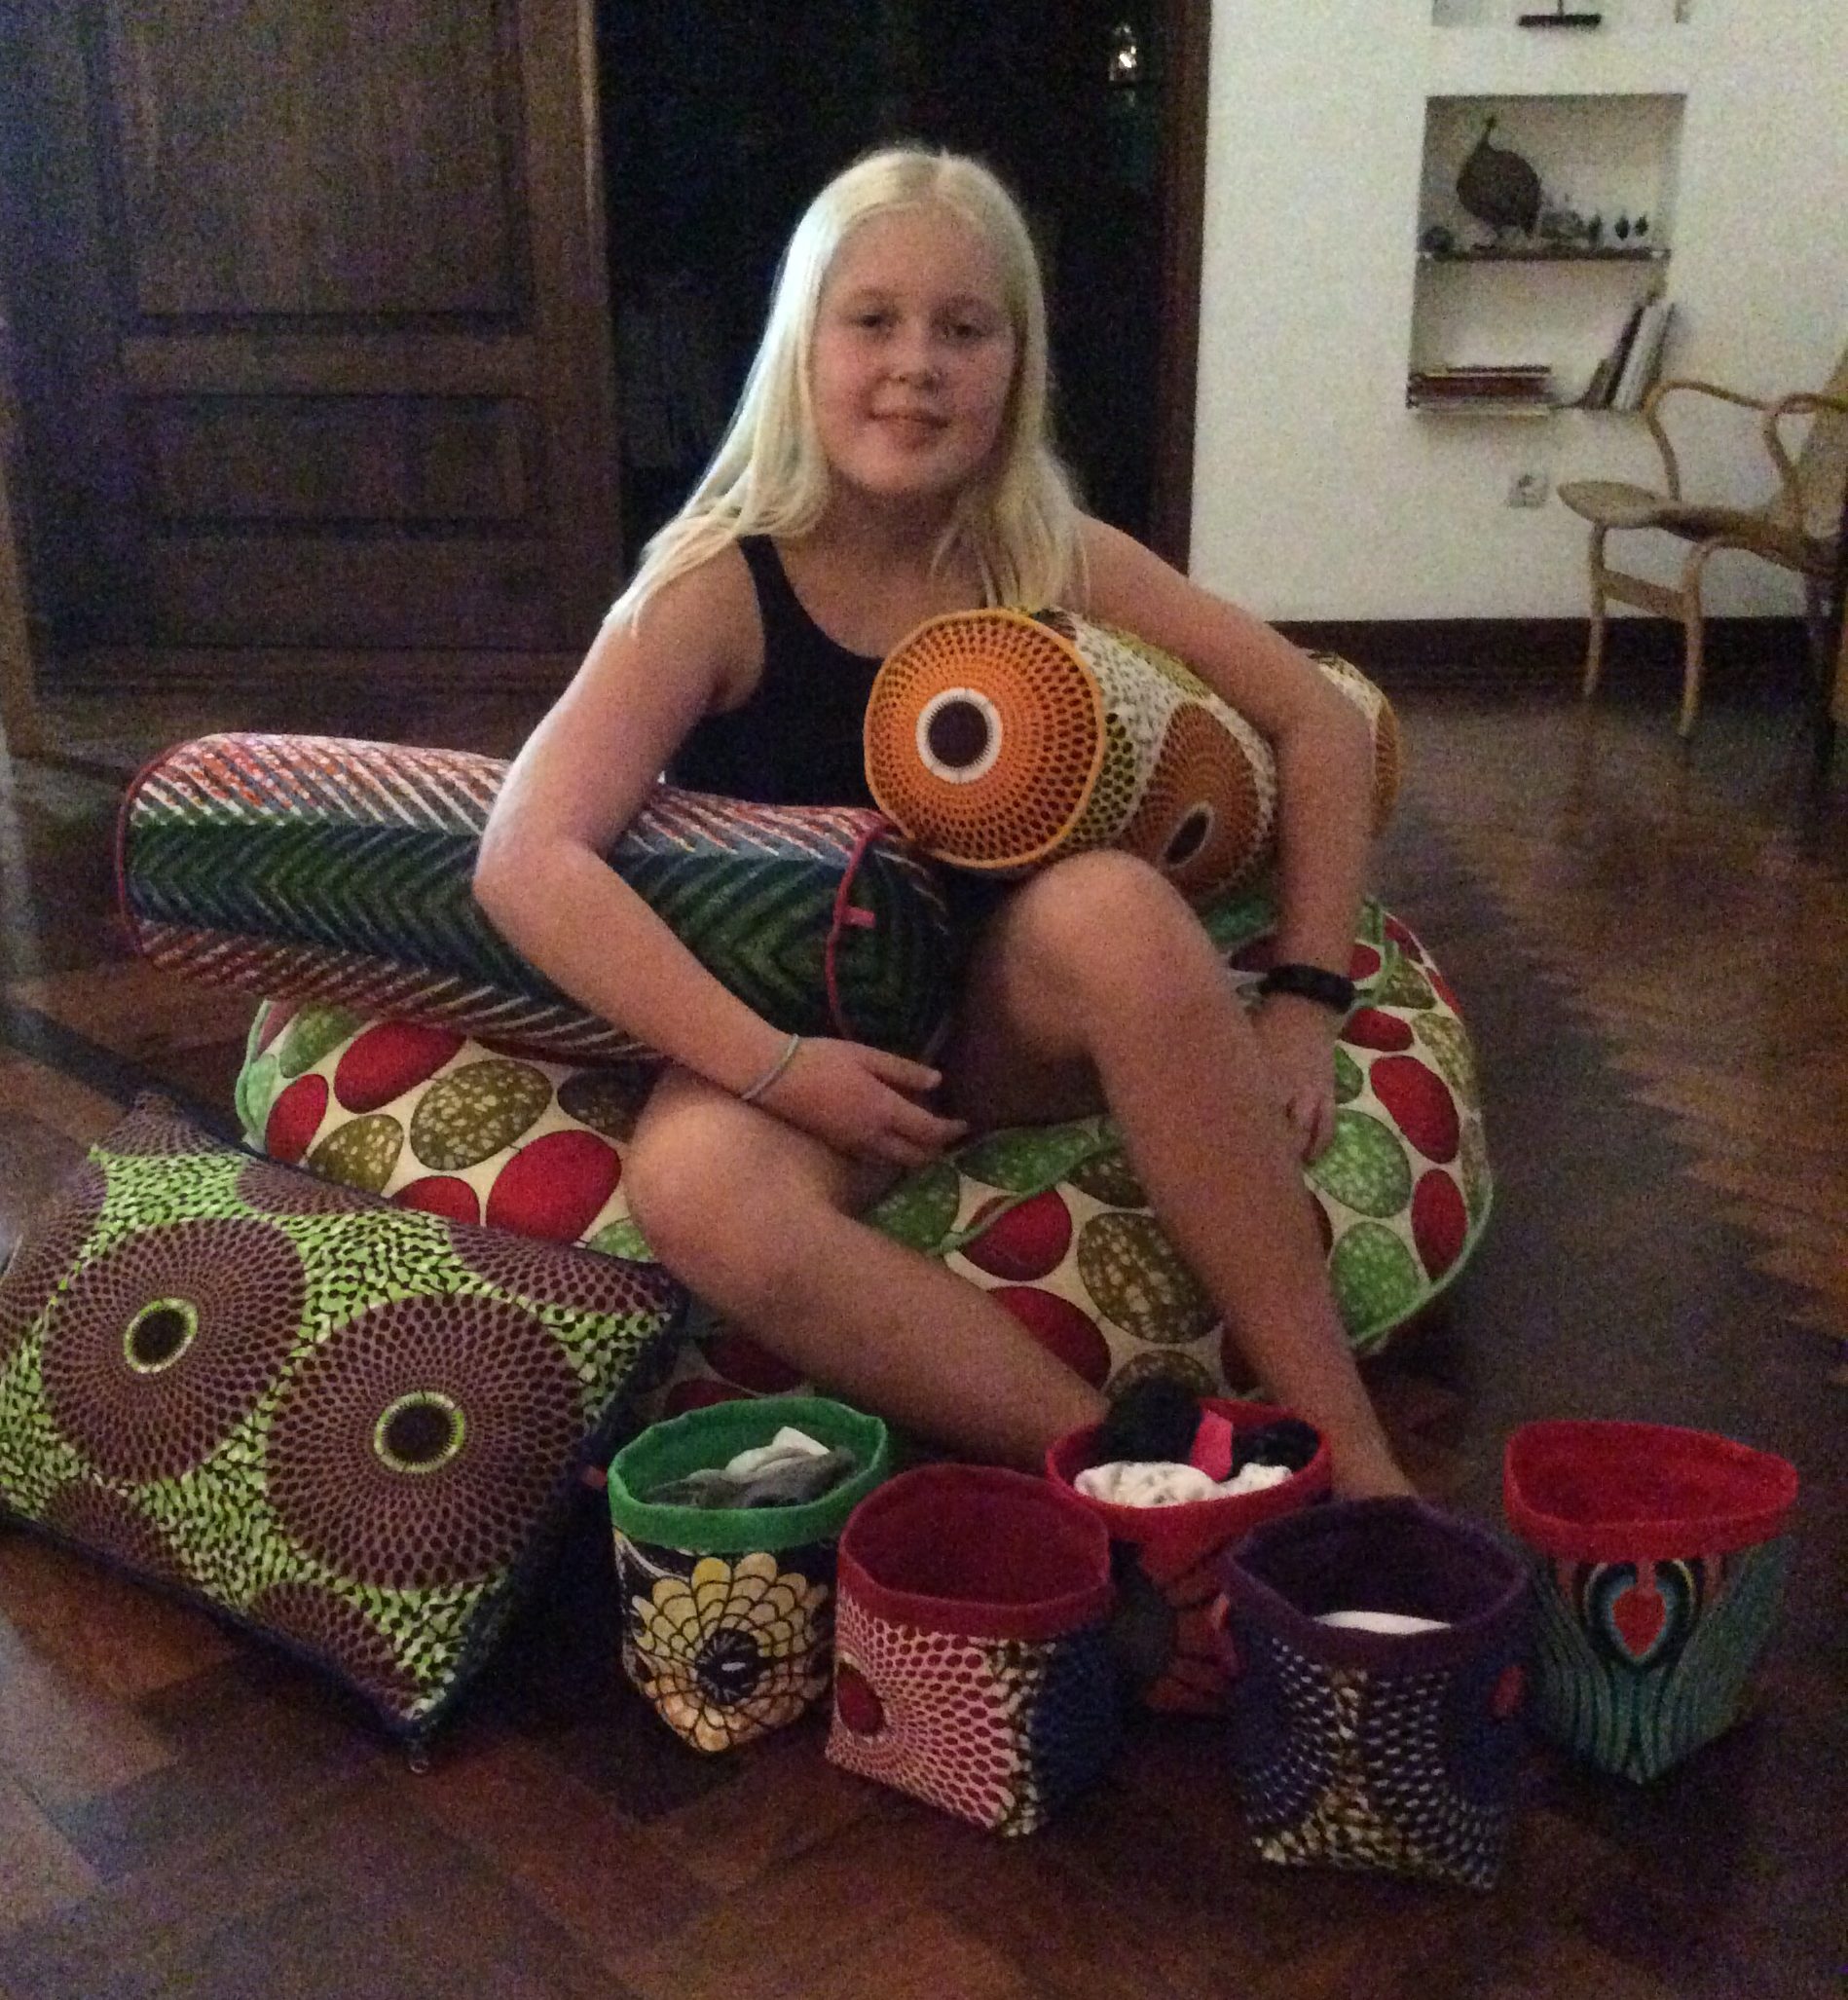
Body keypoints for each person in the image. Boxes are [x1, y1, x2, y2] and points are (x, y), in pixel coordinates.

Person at [475, 145, 1412, 1499]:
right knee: (694, 1186)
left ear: (1015, 367)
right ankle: (1127, 1477)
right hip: (814, 1023)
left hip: (1002, 1017)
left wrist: (1304, 1002)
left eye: (964, 329)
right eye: (873, 320)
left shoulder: (1049, 552)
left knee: (1110, 905)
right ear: (803, 347)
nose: (916, 364)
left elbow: (1318, 719)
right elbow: (527, 853)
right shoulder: (714, 586)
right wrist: (771, 1068)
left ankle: (1358, 1457)